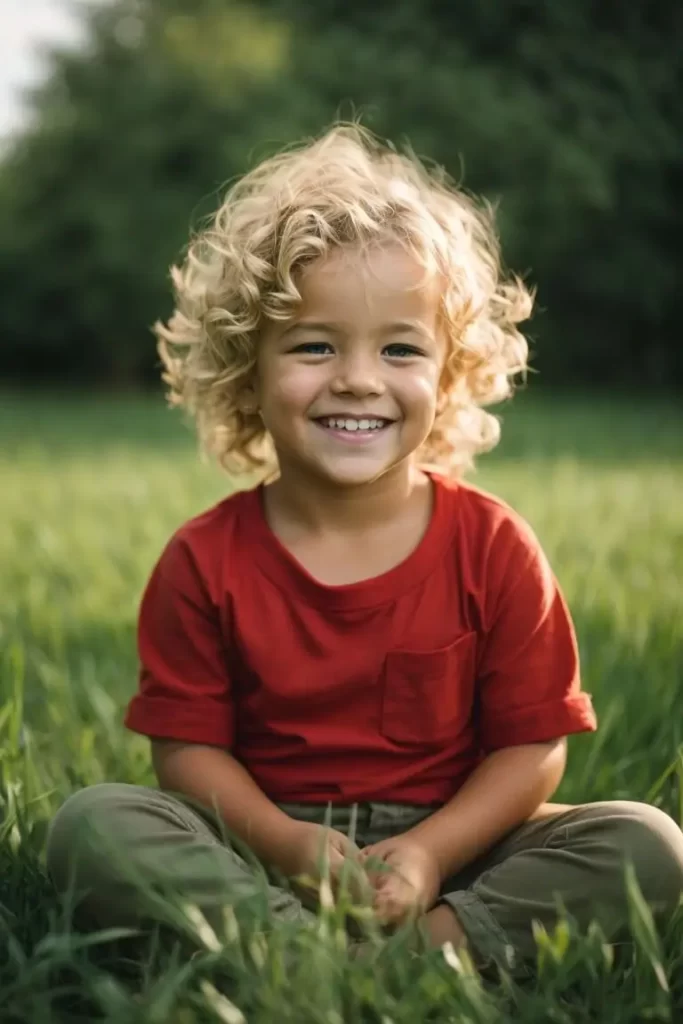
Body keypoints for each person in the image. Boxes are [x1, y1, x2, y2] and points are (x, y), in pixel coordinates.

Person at [46, 123, 683, 978]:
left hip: (456, 848)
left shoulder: (493, 547)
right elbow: (187, 753)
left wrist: (425, 853)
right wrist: (287, 845)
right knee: (93, 824)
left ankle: (421, 952)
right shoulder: (203, 561)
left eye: (398, 349)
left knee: (645, 842)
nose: (356, 378)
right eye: (314, 345)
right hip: (260, 848)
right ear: (249, 371)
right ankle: (293, 943)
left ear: (447, 374)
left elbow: (531, 749)